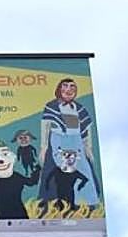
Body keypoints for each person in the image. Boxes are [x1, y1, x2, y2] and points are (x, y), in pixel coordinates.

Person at [37, 78, 100, 209]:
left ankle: (88, 201)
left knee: (84, 170)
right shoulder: (52, 107)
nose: (69, 90)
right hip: (59, 139)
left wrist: (88, 147)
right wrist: (43, 147)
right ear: (59, 89)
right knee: (62, 170)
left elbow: (87, 129)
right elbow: (45, 125)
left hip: (76, 141)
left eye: (72, 87)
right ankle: (57, 202)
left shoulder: (79, 108)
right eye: (65, 86)